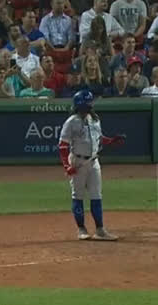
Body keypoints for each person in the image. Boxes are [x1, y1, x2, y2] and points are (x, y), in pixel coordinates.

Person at [57, 90, 125, 241]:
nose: (90, 106)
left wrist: (111, 140)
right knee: (78, 195)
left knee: (96, 195)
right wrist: (67, 166)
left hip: (94, 161)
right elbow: (62, 146)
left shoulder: (95, 119)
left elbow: (99, 138)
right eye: (87, 103)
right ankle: (81, 229)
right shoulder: (71, 122)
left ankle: (100, 230)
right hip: (78, 161)